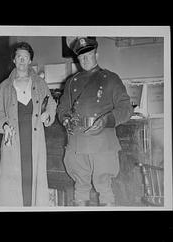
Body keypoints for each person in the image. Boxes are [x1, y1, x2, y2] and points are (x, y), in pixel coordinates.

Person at [57, 37, 133, 206]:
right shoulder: (71, 82)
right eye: (81, 57)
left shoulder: (110, 78)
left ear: (96, 55)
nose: (84, 59)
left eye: (88, 55)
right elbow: (62, 108)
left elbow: (126, 109)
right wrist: (65, 119)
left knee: (104, 188)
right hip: (77, 144)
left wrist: (106, 120)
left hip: (102, 145)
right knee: (80, 189)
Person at [0, 42, 57, 207]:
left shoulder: (40, 84)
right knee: (13, 185)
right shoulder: (4, 86)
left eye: (25, 57)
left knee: (33, 180)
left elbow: (51, 104)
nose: (22, 60)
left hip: (34, 140)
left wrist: (48, 113)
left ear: (30, 61)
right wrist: (4, 125)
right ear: (14, 60)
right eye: (18, 57)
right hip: (13, 140)